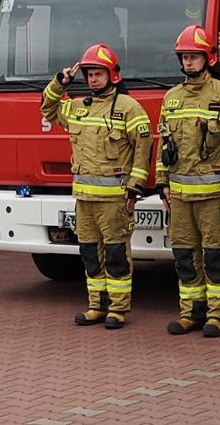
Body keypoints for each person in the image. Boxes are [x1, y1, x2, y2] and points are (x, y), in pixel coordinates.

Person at [41, 43, 153, 329]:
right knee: (90, 254)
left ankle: (117, 308)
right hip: (84, 200)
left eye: (98, 74)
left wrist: (135, 188)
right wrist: (60, 82)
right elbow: (48, 108)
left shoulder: (129, 108)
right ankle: (95, 306)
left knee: (116, 255)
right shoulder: (78, 108)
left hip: (115, 201)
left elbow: (144, 148)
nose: (93, 79)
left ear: (112, 75)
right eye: (89, 74)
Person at [159, 25, 220, 338]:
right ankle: (191, 313)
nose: (188, 63)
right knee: (184, 255)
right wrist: (162, 183)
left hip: (214, 197)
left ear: (208, 57)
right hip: (180, 197)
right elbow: (164, 145)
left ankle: (217, 315)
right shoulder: (171, 98)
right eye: (184, 57)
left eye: (194, 56)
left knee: (216, 256)